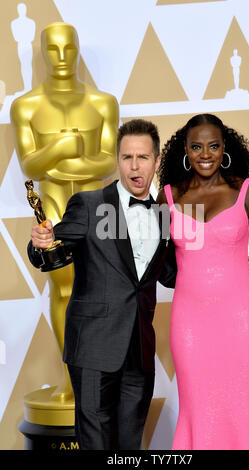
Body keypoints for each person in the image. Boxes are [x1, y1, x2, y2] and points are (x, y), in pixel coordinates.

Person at [27, 119, 177, 450]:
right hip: (94, 347)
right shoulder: (89, 204)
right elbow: (54, 252)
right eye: (127, 157)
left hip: (139, 349)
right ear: (118, 161)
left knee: (130, 446)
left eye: (143, 157)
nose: (135, 166)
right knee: (95, 444)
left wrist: (223, 261)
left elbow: (170, 275)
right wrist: (40, 245)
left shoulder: (164, 213)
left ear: (156, 161)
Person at [157, 113, 249, 450]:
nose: (206, 154)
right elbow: (152, 257)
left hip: (242, 321)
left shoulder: (247, 192)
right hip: (190, 323)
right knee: (198, 409)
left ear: (225, 146)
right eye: (197, 146)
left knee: (244, 410)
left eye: (213, 145)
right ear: (185, 149)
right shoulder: (168, 197)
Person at [11, 22, 119, 401]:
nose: (60, 58)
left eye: (67, 49)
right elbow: (30, 165)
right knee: (65, 289)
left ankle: (100, 376)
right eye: (52, 49)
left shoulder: (102, 103)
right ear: (41, 52)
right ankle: (73, 378)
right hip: (54, 208)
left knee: (107, 291)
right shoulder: (25, 106)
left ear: (77, 51)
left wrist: (56, 162)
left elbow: (107, 163)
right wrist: (65, 146)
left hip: (98, 207)